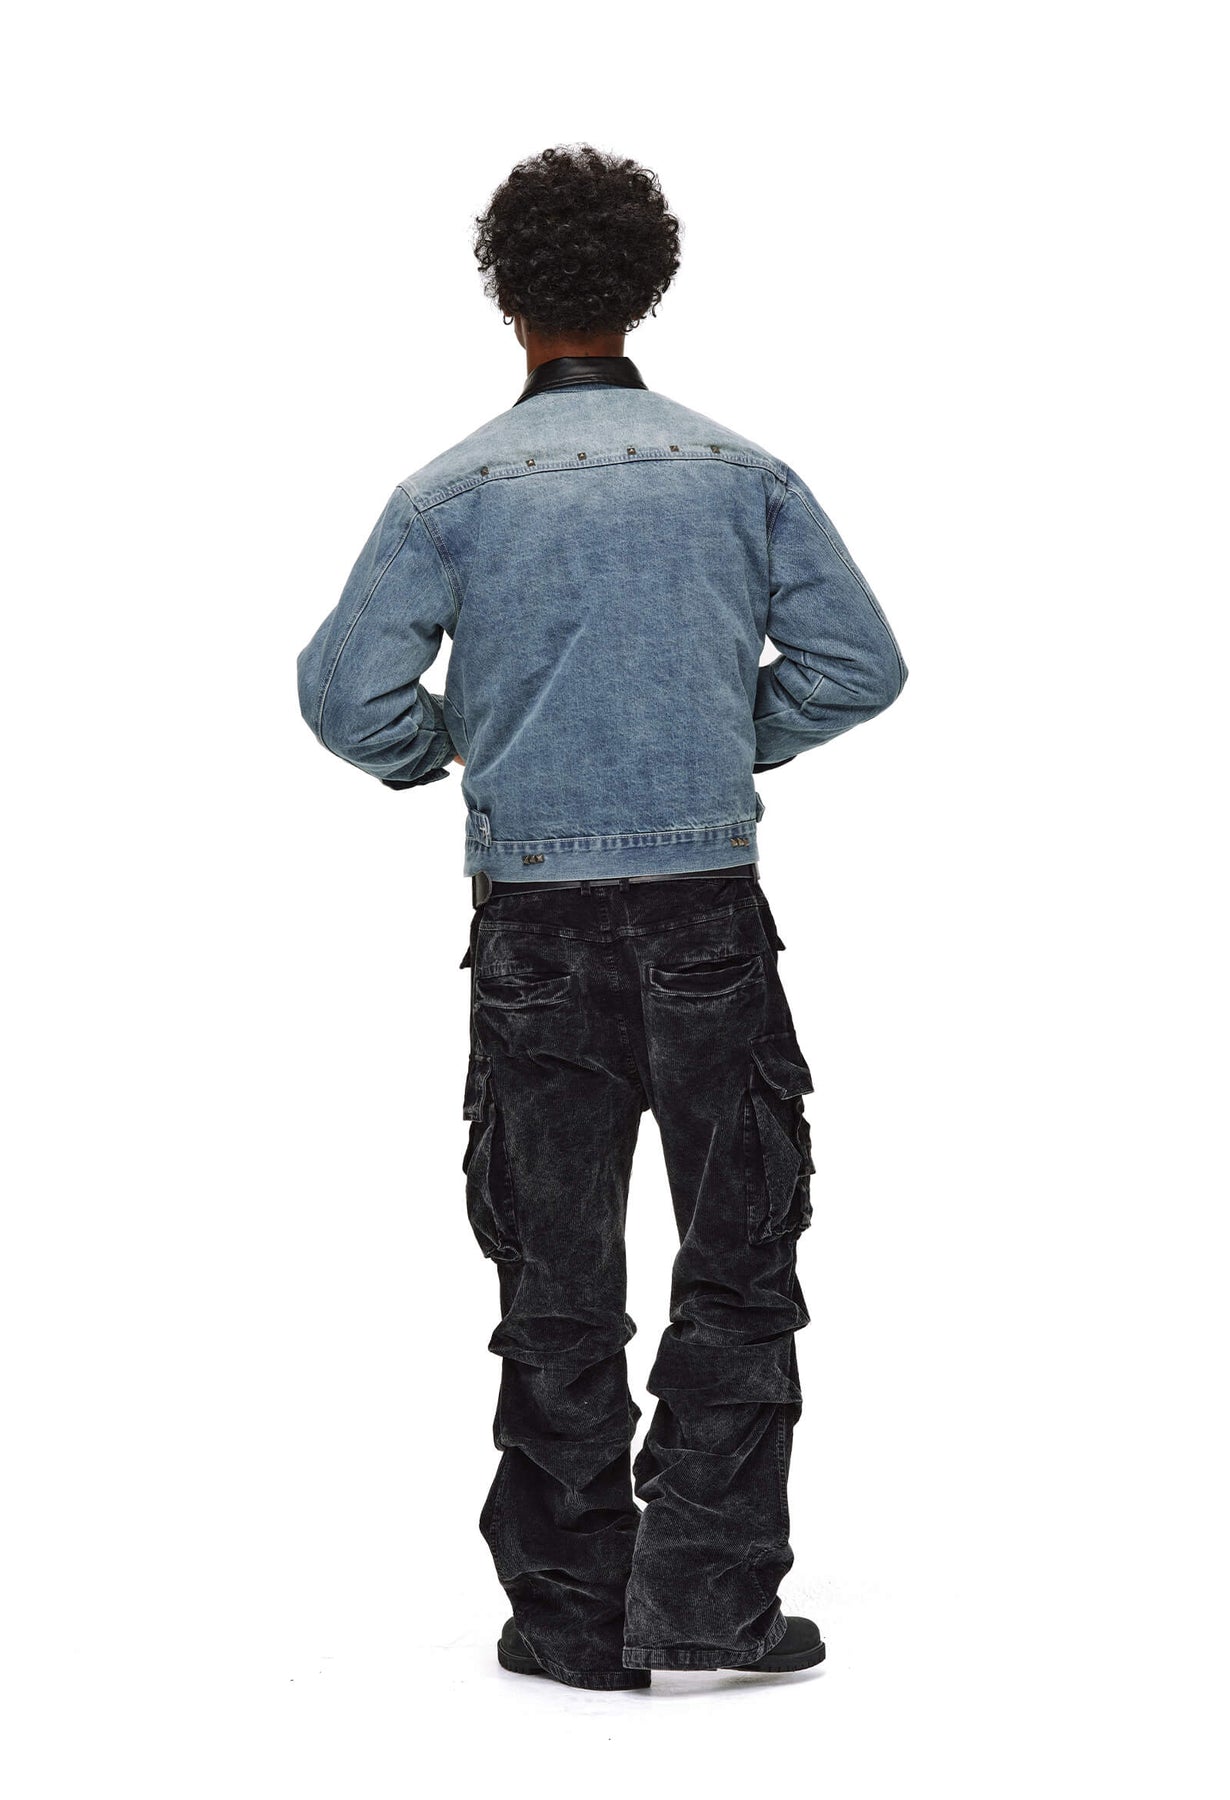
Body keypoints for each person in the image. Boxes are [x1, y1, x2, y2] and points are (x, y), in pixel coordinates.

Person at [296, 142, 908, 1691]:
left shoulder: (447, 492)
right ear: (649, 287)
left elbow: (348, 696)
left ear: (506, 299)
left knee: (552, 1280)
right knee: (739, 1254)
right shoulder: (740, 474)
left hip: (532, 930)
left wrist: (461, 748)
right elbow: (859, 666)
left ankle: (571, 1615)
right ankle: (710, 1600)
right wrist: (720, 735)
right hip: (705, 912)